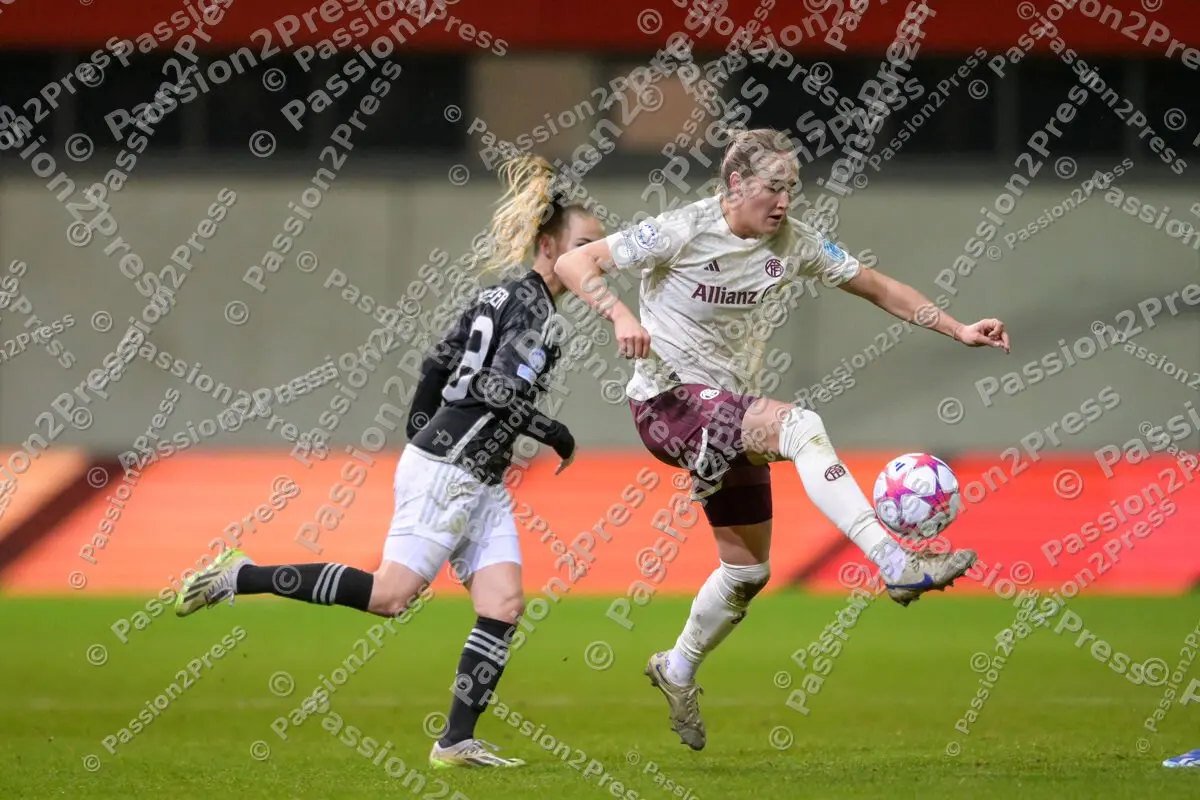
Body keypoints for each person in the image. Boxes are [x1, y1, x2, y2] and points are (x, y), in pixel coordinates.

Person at [552, 127, 1011, 751]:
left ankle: (677, 666)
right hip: (668, 403)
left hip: (725, 412)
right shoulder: (681, 229)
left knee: (747, 572)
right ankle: (894, 560)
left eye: (792, 188)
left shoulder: (793, 243)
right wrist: (621, 314)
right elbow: (573, 261)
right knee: (801, 426)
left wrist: (957, 329)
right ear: (735, 184)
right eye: (773, 187)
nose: (784, 201)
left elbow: (877, 286)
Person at [175, 154, 606, 768]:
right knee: (389, 596)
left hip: (470, 472)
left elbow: (438, 363)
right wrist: (551, 430)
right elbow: (492, 390)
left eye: (599, 247)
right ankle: (239, 575)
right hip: (454, 469)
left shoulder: (499, 294)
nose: (595, 258)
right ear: (547, 246)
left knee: (504, 603)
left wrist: (419, 429)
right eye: (585, 245)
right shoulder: (534, 308)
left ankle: (455, 741)